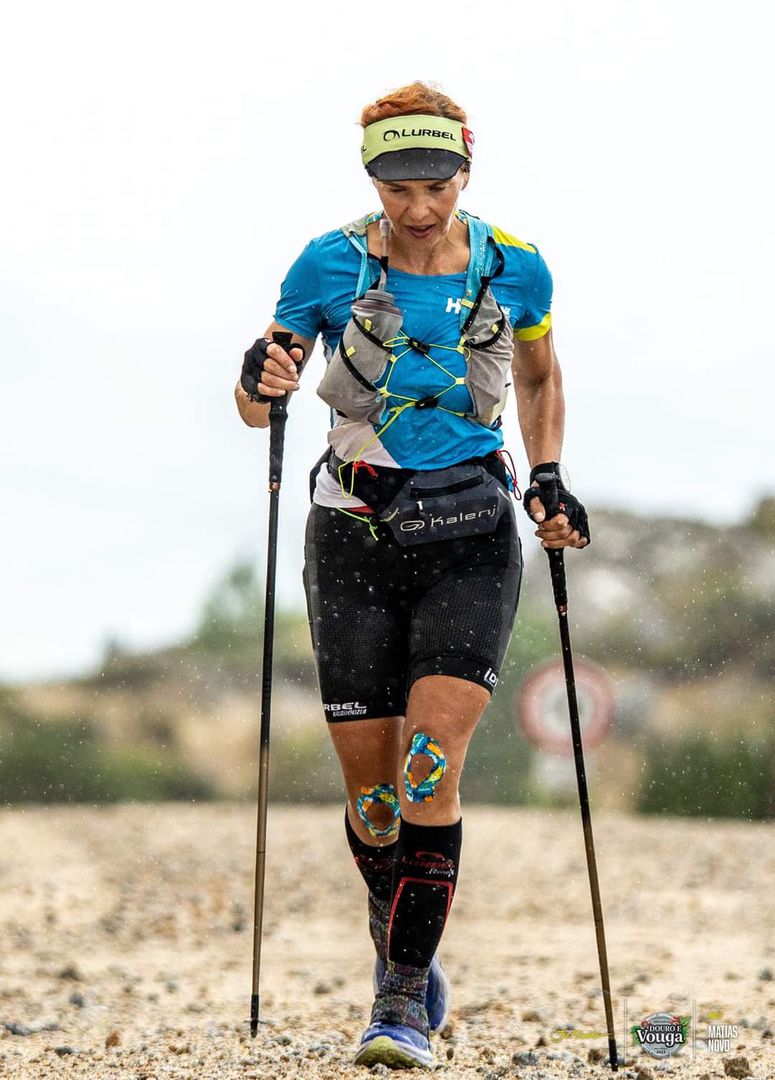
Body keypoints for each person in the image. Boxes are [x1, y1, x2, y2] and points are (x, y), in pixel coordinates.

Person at [234, 81, 589, 1071]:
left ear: (463, 174)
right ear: (371, 179)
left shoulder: (515, 266)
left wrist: (549, 476)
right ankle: (401, 933)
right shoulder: (327, 261)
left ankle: (398, 1002)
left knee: (428, 763)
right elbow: (262, 395)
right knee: (372, 797)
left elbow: (536, 375)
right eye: (395, 186)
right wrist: (256, 377)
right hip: (350, 532)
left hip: (471, 530)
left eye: (433, 185)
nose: (416, 207)